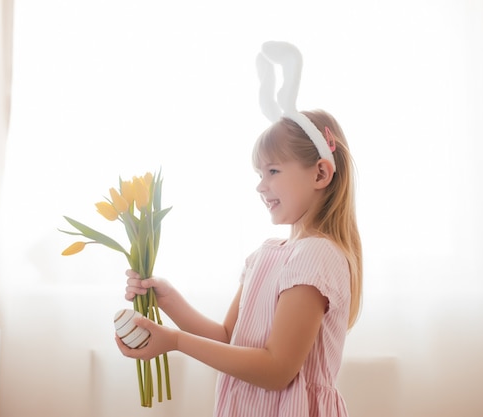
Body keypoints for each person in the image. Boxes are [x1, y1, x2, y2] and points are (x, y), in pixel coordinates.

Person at [116, 42, 362, 417]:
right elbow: (229, 338)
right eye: (259, 174)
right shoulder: (266, 255)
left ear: (320, 173)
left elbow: (278, 370)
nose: (261, 186)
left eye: (273, 171)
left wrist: (177, 342)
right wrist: (168, 299)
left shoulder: (317, 256)